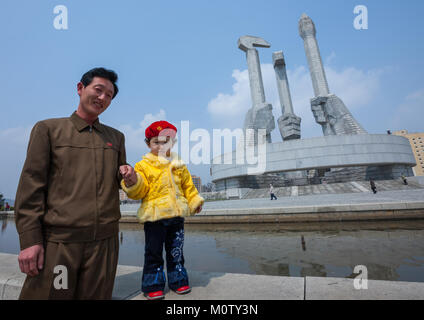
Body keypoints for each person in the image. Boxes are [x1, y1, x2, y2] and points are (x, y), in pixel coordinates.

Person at [15, 67, 126, 299]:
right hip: (61, 246)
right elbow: (31, 187)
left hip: (104, 246)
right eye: (98, 90)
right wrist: (30, 240)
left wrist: (131, 179)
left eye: (109, 95)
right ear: (80, 88)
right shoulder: (49, 130)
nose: (103, 98)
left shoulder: (115, 138)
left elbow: (121, 184)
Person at [120, 120, 204, 300]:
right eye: (155, 142)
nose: (160, 146)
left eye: (165, 141)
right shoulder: (143, 165)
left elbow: (188, 185)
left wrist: (194, 201)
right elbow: (140, 190)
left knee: (176, 252)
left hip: (176, 216)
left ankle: (178, 280)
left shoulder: (179, 163)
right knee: (153, 253)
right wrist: (132, 180)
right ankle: (153, 284)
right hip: (155, 217)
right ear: (148, 143)